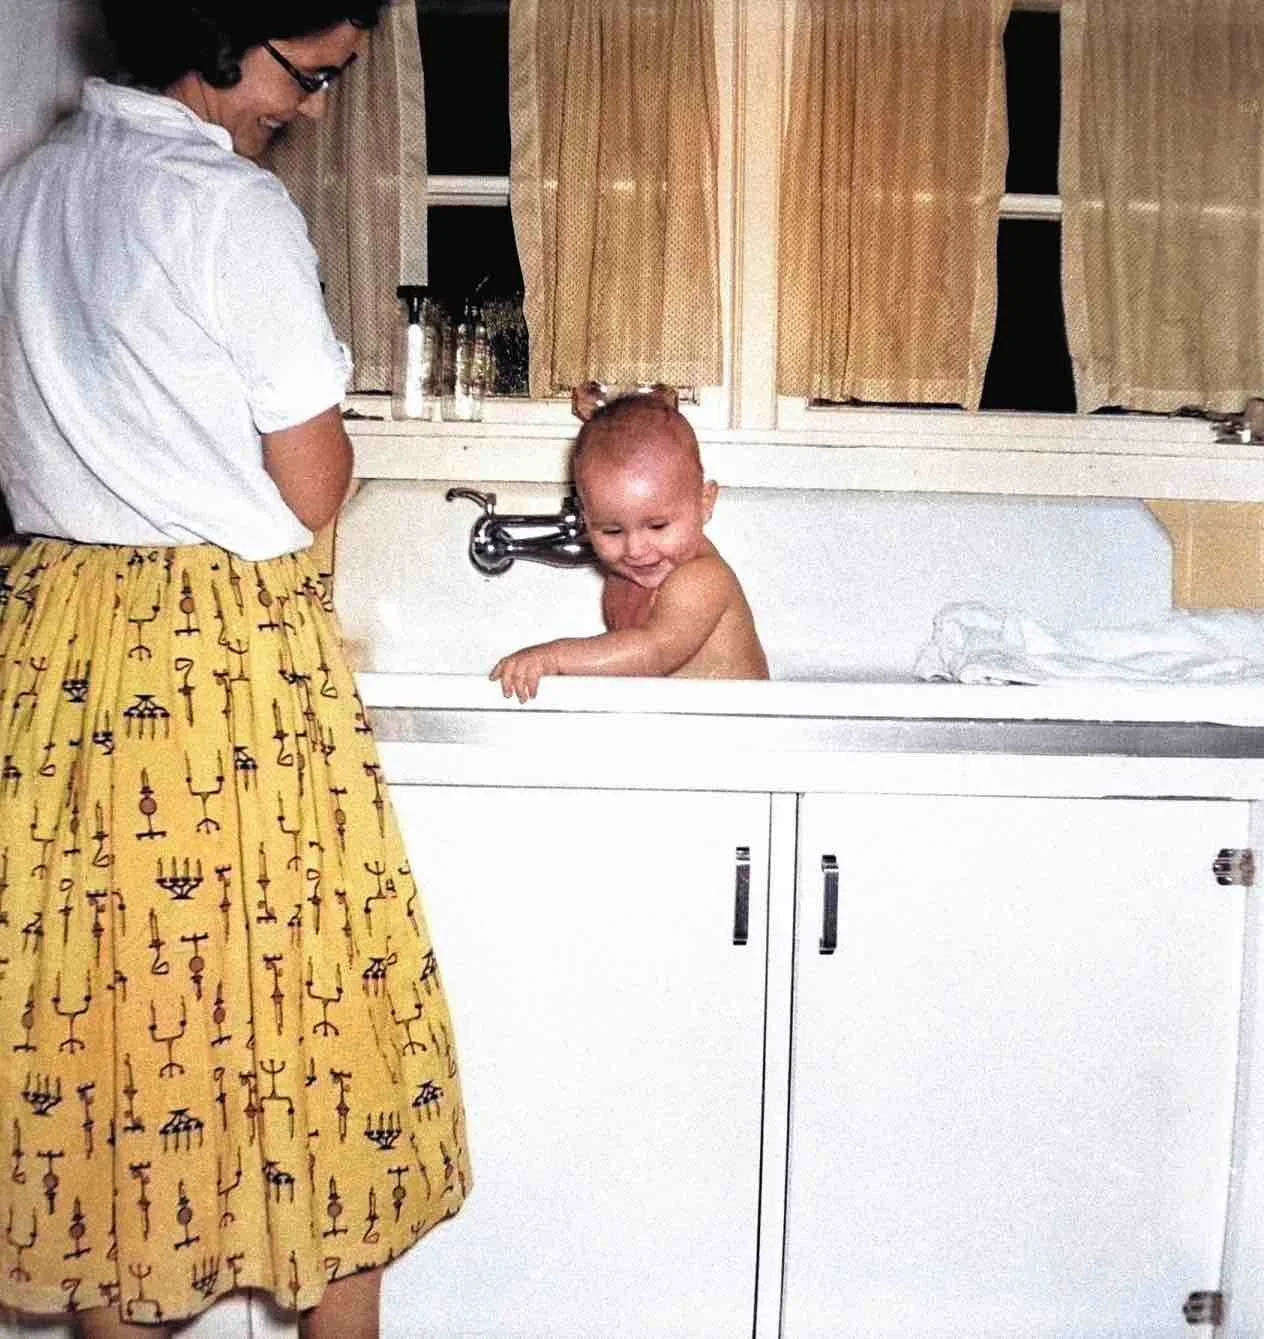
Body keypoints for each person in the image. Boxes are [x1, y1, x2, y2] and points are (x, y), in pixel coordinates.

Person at [0, 6, 470, 1338]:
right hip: (221, 673)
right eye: (306, 76)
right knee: (324, 1077)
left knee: (115, 1094)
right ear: (221, 25)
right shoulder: (229, 207)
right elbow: (313, 484)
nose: (312, 110)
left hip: (51, 654)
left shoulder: (26, 190)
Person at [490, 394, 769, 701]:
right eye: (612, 530)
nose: (635, 549)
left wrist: (554, 658)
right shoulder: (622, 579)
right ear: (586, 520)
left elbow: (653, 652)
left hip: (736, 737)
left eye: (658, 526)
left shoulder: (703, 580)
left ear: (705, 503)